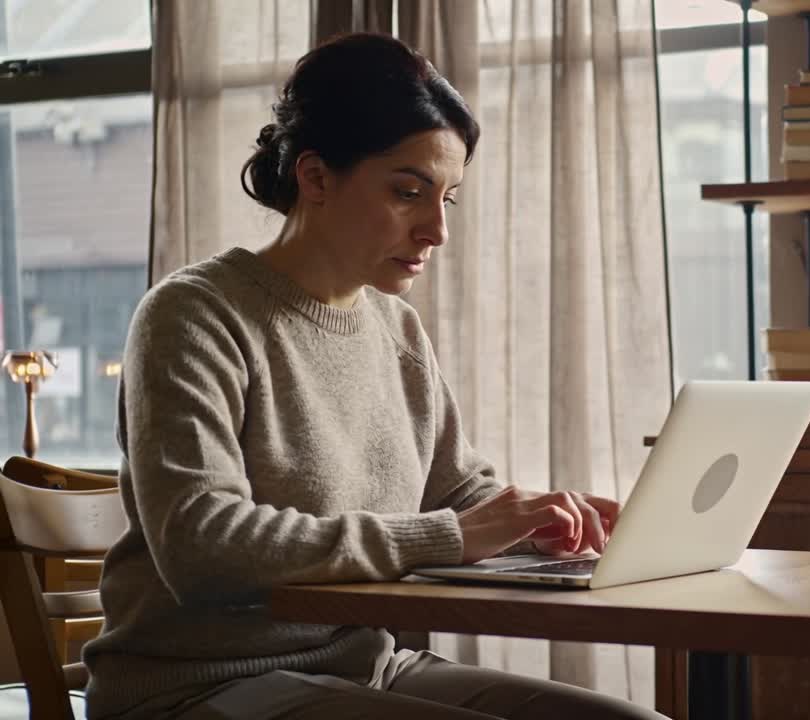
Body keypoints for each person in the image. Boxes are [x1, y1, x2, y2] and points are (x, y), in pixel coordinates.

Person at [82, 32, 666, 720]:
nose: (435, 230)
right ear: (316, 176)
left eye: (447, 198)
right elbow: (203, 546)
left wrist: (542, 521)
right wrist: (454, 534)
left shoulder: (396, 330)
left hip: (365, 669)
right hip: (194, 687)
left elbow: (460, 492)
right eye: (408, 191)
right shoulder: (192, 315)